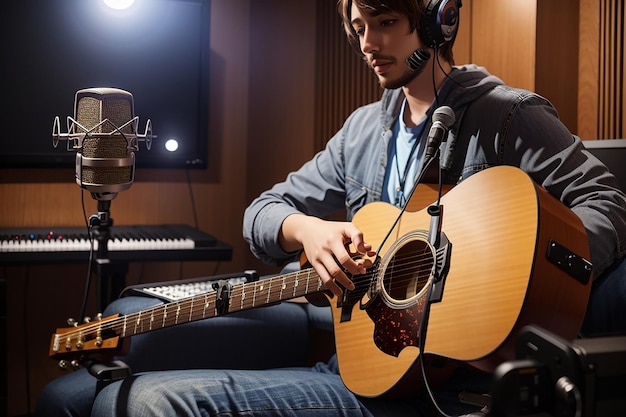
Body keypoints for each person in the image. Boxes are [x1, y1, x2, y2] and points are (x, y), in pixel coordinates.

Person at [37, 0, 626, 416]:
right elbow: (262, 212)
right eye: (359, 26)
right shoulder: (363, 130)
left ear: (437, 19)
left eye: (386, 23)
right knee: (64, 396)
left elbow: (607, 202)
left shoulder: (505, 114)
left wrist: (508, 282)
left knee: (152, 400)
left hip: (443, 382)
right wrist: (307, 229)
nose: (369, 43)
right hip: (362, 353)